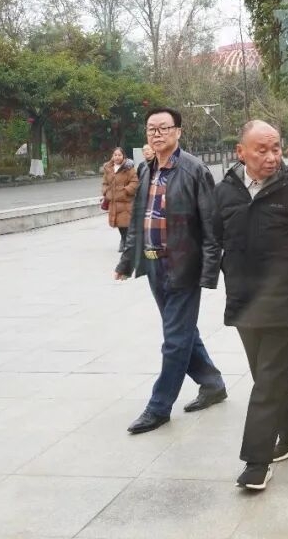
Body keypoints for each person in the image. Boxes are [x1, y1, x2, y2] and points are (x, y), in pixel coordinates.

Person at [213, 120, 288, 491]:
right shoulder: (225, 191)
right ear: (240, 152)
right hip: (243, 299)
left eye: (276, 148)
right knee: (268, 375)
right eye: (261, 149)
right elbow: (216, 236)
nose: (271, 156)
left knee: (267, 380)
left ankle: (256, 462)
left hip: (284, 299)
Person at [116, 108, 227, 435]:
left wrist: (208, 272)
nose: (157, 134)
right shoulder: (146, 168)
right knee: (182, 331)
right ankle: (212, 383)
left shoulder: (194, 170)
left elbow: (211, 225)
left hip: (183, 265)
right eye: (152, 129)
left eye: (164, 128)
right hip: (154, 264)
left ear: (178, 132)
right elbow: (139, 219)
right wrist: (126, 261)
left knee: (174, 340)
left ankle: (158, 407)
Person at [102, 147, 139, 251]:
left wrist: (125, 191)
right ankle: (123, 239)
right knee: (118, 223)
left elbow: (134, 182)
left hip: (125, 201)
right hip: (113, 201)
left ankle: (126, 241)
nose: (117, 157)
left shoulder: (129, 168)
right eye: (115, 155)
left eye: (119, 155)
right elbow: (105, 182)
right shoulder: (108, 168)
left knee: (126, 223)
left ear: (123, 156)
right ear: (112, 156)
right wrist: (106, 192)